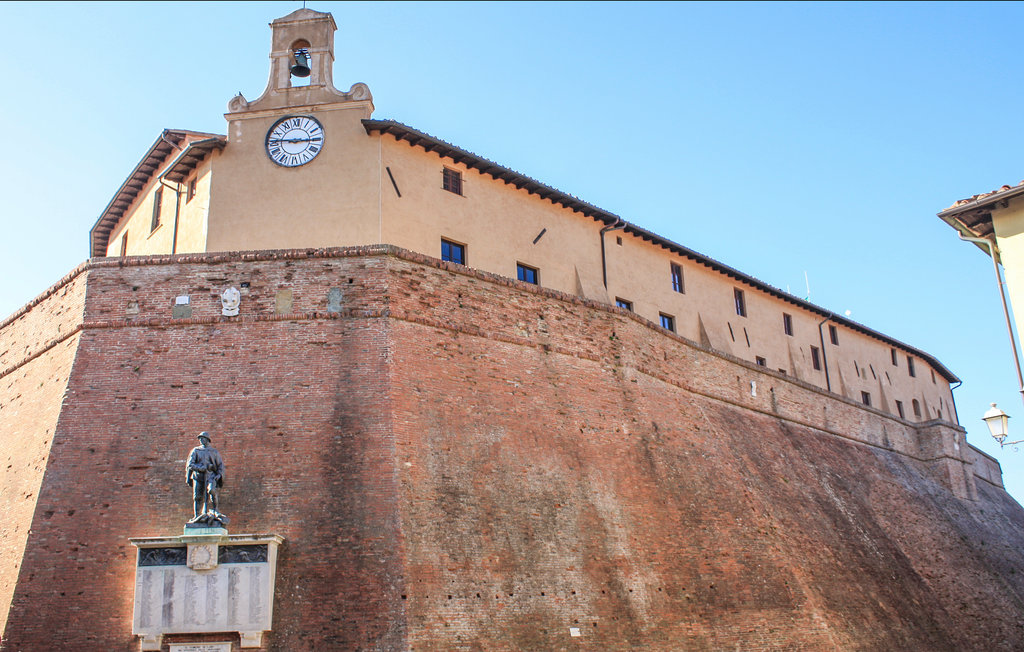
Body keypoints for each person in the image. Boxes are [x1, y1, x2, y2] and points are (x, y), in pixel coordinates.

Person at [186, 431, 225, 524]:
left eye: (202, 438)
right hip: (198, 477)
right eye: (200, 438)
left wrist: (219, 475)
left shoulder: (214, 452)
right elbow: (190, 464)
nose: (200, 440)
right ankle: (196, 515)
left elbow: (220, 465)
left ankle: (215, 509)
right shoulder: (196, 451)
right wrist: (200, 468)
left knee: (211, 491)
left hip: (210, 476)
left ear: (207, 440)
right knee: (197, 496)